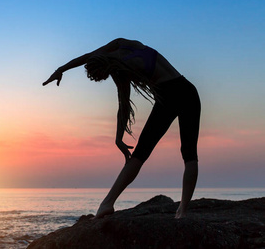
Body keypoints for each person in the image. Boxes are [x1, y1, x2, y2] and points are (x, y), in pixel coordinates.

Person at [42, 38, 201, 219]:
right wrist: (61, 69)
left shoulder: (121, 72)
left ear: (106, 70)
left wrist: (118, 138)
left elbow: (123, 108)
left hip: (168, 96)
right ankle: (183, 211)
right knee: (189, 154)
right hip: (188, 90)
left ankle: (107, 203)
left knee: (140, 154)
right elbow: (87, 57)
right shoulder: (122, 44)